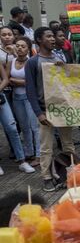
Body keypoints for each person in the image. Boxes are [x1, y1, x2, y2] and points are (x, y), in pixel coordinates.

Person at [26, 27, 75, 191]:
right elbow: (30, 90)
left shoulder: (60, 57)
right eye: (48, 36)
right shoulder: (33, 62)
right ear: (39, 40)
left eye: (53, 36)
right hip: (45, 110)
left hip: (62, 109)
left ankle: (71, 173)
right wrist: (38, 113)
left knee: (68, 145)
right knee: (46, 146)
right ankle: (46, 177)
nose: (53, 39)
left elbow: (69, 83)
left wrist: (64, 70)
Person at [6, 36, 40, 167]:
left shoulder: (31, 62)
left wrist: (17, 81)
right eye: (18, 45)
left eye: (23, 46)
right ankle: (29, 152)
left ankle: (38, 155)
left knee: (34, 127)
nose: (19, 48)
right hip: (16, 98)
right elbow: (7, 78)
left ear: (28, 49)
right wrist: (19, 82)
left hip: (29, 98)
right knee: (24, 127)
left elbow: (33, 83)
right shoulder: (11, 61)